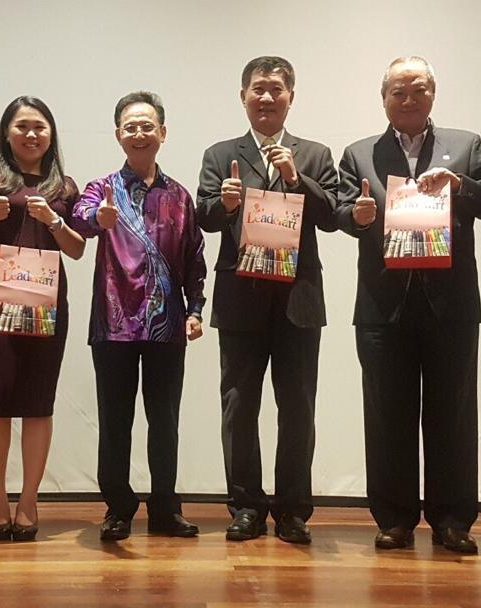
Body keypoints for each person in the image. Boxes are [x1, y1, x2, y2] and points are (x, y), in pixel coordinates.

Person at [336, 56, 481, 554]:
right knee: (386, 414)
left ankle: (453, 520)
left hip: (450, 304)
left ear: (433, 93)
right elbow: (344, 212)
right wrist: (358, 214)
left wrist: (462, 186)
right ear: (383, 98)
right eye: (398, 92)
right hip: (381, 308)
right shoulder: (359, 153)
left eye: (418, 90)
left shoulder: (464, 145)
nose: (408, 100)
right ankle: (394, 518)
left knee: (453, 414)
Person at [196, 56, 338, 544]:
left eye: (276, 89)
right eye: (258, 89)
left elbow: (334, 216)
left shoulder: (314, 153)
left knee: (298, 407)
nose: (266, 97)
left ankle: (293, 510)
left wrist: (298, 179)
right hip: (241, 297)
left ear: (291, 98)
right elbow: (206, 218)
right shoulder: (220, 154)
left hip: (298, 298)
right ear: (243, 96)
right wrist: (226, 203)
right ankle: (246, 507)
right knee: (239, 407)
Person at [71, 91, 206, 541]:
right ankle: (119, 507)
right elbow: (82, 217)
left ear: (162, 134)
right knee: (115, 421)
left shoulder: (181, 197)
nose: (139, 133)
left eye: (147, 125)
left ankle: (165, 508)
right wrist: (100, 219)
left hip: (167, 326)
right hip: (113, 326)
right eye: (130, 126)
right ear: (118, 135)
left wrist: (196, 309)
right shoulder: (101, 188)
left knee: (164, 420)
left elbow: (193, 259)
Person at [0, 96, 85, 541]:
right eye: (22, 127)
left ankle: (29, 500)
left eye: (40, 127)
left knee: (38, 402)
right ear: (7, 133)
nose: (31, 135)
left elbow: (76, 248)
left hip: (46, 297)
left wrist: (55, 221)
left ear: (51, 135)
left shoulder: (65, 186)